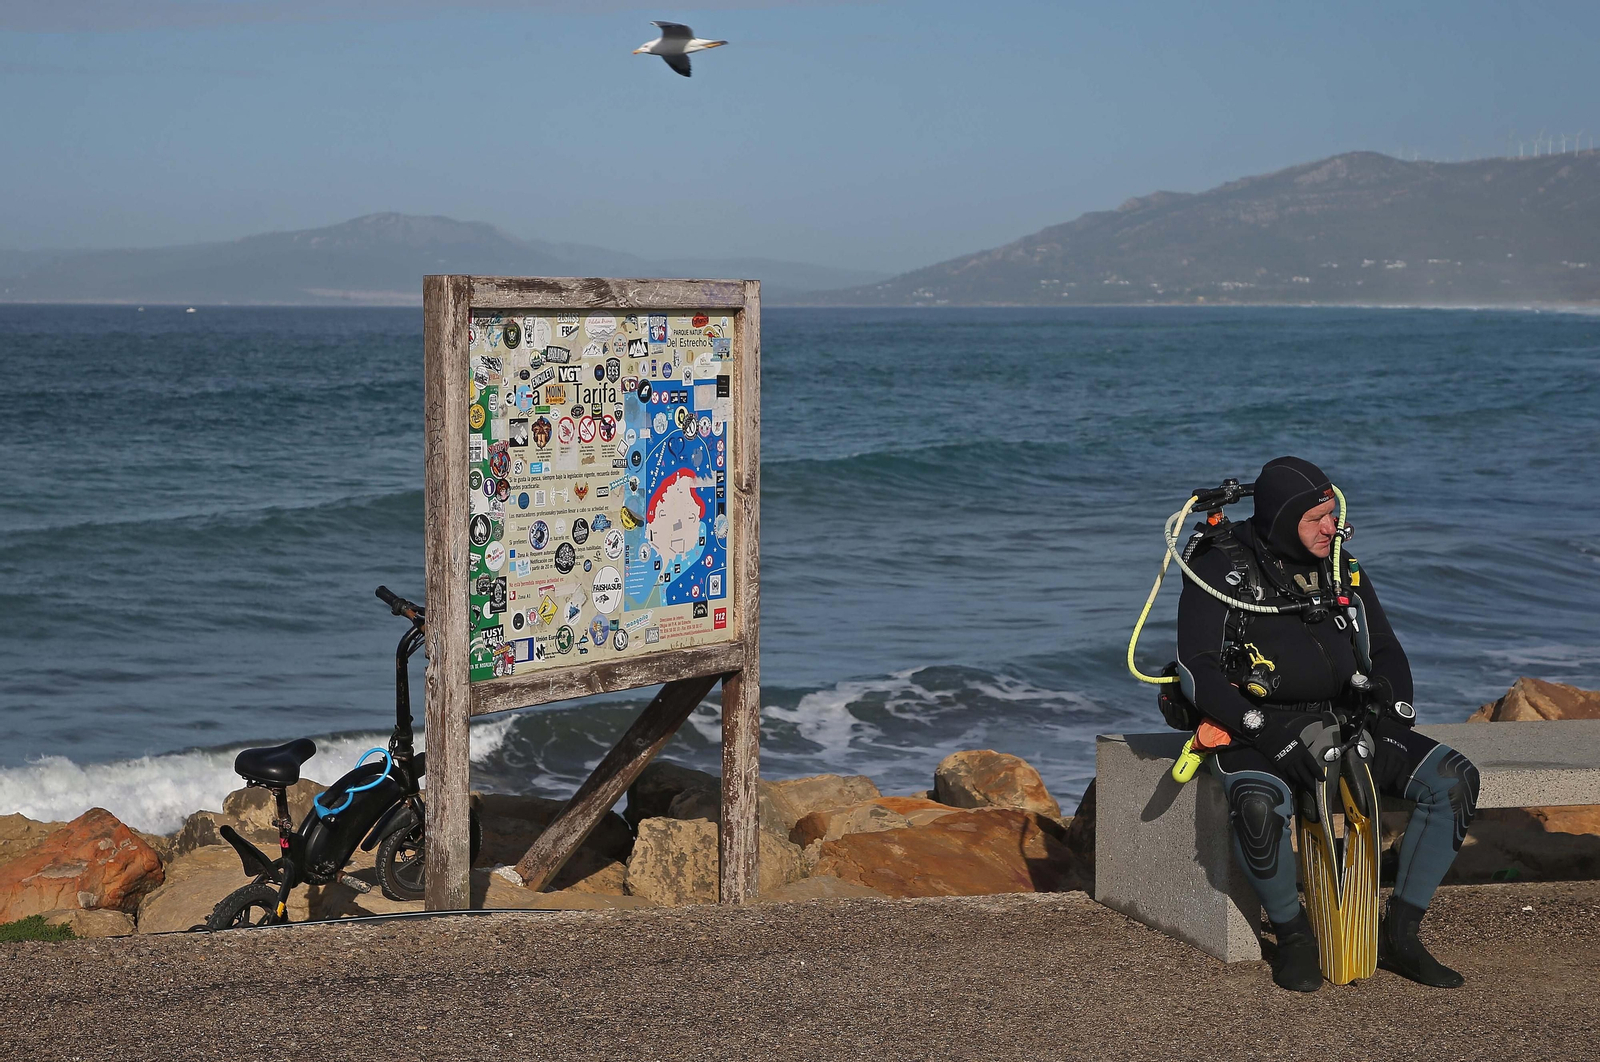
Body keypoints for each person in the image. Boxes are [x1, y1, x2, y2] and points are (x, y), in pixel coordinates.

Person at [1176, 456, 1480, 992]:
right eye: (1316, 518)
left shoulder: (1339, 563)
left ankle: (1401, 936)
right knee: (1257, 807)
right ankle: (1294, 936)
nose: (1331, 527)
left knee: (1454, 780)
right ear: (1278, 519)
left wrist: (1390, 725)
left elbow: (1384, 648)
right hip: (1257, 728)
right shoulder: (1219, 567)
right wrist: (1269, 735)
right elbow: (1197, 672)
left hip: (1346, 720)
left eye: (1333, 514)